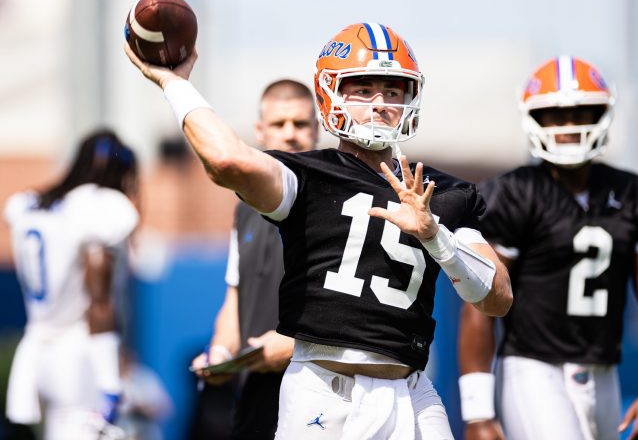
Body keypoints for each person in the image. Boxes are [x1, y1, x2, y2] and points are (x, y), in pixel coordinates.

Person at [125, 22, 512, 439]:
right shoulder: (308, 175)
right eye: (363, 89)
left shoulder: (443, 192)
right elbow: (226, 161)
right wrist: (175, 83)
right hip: (323, 390)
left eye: (392, 90)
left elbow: (498, 298)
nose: (380, 103)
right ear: (331, 94)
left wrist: (436, 236)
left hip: (411, 390)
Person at [457, 56, 638, 440]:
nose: (569, 127)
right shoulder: (515, 193)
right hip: (534, 367)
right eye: (555, 116)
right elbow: (481, 301)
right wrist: (478, 412)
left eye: (581, 113)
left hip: (604, 371)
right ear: (535, 120)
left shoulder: (634, 193)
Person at [188, 79, 319, 439]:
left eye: (300, 124)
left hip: (320, 395)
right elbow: (236, 299)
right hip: (256, 395)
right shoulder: (244, 209)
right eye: (279, 124)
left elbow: (359, 310)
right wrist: (220, 353)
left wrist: (295, 346)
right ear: (260, 131)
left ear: (318, 130)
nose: (290, 134)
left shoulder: (333, 203)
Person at [4, 129, 139, 439]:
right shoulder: (97, 207)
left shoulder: (29, 204)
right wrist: (109, 381)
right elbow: (99, 296)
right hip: (78, 355)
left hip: (37, 352)